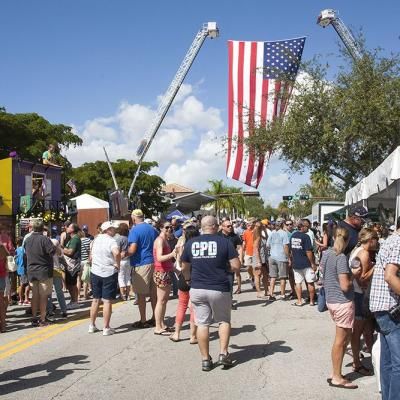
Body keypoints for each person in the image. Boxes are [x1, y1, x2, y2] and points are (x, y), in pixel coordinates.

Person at [181, 216, 241, 371]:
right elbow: (236, 265)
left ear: (202, 227)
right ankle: (223, 353)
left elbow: (184, 267)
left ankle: (205, 359)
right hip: (219, 287)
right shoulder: (224, 242)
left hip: (197, 288)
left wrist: (188, 279)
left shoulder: (191, 243)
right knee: (223, 321)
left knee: (202, 323)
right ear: (215, 226)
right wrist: (228, 269)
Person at [321, 227, 361, 389]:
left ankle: (335, 373)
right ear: (348, 241)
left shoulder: (326, 254)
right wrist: (355, 275)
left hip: (331, 300)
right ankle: (336, 376)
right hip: (342, 301)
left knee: (341, 340)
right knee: (341, 340)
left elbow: (324, 276)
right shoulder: (341, 257)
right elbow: (345, 285)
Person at [369, 217, 400, 400]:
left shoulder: (390, 240)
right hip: (391, 309)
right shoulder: (398, 242)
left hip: (383, 308)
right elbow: (390, 276)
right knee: (398, 363)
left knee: (388, 361)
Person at [349, 228, 378, 376]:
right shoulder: (365, 253)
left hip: (357, 294)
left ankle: (372, 359)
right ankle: (356, 362)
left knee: (366, 330)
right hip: (361, 295)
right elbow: (363, 277)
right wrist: (376, 266)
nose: (377, 243)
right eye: (376, 240)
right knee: (358, 331)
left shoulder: (357, 249)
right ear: (370, 240)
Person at [128, 209, 158, 329]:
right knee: (153, 293)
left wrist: (124, 253)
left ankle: (143, 320)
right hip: (154, 262)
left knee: (140, 294)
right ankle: (155, 318)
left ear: (134, 218)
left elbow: (133, 249)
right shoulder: (152, 229)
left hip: (141, 264)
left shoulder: (134, 230)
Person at [89, 221, 121, 336]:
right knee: (107, 301)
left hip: (95, 271)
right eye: (113, 229)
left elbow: (90, 256)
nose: (115, 230)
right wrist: (117, 264)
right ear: (108, 230)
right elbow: (117, 253)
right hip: (108, 272)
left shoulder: (95, 239)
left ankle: (92, 325)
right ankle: (106, 327)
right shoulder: (111, 241)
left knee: (96, 299)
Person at [169, 224, 199, 343]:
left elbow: (181, 263)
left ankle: (176, 333)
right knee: (193, 308)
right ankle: (193, 336)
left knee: (181, 306)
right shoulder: (198, 248)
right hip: (195, 278)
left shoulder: (184, 246)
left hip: (183, 277)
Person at [24, 220, 56, 327]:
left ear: (32, 228)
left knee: (34, 295)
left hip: (31, 270)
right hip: (43, 271)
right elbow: (52, 252)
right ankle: (42, 319)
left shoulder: (27, 240)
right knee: (43, 296)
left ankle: (34, 318)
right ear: (43, 229)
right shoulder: (45, 239)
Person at [153, 221, 176, 335]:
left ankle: (162, 324)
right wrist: (172, 254)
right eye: (167, 227)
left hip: (166, 272)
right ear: (161, 228)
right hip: (161, 272)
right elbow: (159, 257)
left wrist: (175, 269)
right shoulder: (160, 240)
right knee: (161, 301)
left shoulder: (164, 240)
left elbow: (166, 260)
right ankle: (158, 326)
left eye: (171, 227)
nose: (169, 229)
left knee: (164, 300)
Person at [289, 220, 317, 306]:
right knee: (310, 282)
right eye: (307, 226)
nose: (308, 228)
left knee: (298, 283)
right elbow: (308, 251)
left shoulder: (293, 236)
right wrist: (312, 263)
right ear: (302, 227)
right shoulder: (306, 237)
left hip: (296, 263)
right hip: (306, 263)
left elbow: (291, 250)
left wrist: (291, 259)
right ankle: (312, 301)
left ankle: (299, 301)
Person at [218, 219, 243, 295]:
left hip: (231, 262)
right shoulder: (217, 236)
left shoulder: (235, 237)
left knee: (230, 282)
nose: (230, 227)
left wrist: (240, 259)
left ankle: (230, 300)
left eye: (231, 226)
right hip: (219, 263)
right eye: (228, 226)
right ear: (222, 227)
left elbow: (239, 248)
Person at [267, 219, 289, 300]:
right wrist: (288, 257)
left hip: (272, 257)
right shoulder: (284, 233)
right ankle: (282, 295)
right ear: (283, 225)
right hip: (281, 257)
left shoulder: (272, 233)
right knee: (282, 277)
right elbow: (286, 247)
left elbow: (267, 245)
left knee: (273, 277)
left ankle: (271, 294)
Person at [63, 223, 81, 309]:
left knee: (72, 283)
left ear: (73, 230)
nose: (66, 227)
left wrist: (61, 249)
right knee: (70, 283)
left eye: (69, 227)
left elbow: (70, 252)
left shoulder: (75, 239)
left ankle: (74, 301)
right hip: (70, 264)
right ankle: (74, 300)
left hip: (72, 264)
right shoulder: (72, 238)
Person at [252, 221, 269, 298]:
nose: (258, 228)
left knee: (265, 275)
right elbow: (256, 249)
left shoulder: (261, 236)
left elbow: (267, 237)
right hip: (258, 258)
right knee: (257, 275)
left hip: (264, 258)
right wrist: (259, 261)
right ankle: (259, 292)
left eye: (260, 226)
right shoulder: (257, 237)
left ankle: (266, 290)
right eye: (257, 226)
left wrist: (264, 230)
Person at [115, 223, 131, 301]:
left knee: (120, 277)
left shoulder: (119, 239)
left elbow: (117, 251)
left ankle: (123, 295)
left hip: (121, 260)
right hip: (128, 260)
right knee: (128, 277)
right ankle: (128, 295)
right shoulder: (128, 238)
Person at [15, 237, 30, 305]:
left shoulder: (16, 250)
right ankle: (25, 299)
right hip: (24, 268)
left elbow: (15, 261)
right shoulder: (24, 250)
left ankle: (21, 299)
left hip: (18, 269)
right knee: (26, 284)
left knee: (21, 284)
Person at [242, 218, 256, 289]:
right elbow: (244, 242)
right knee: (248, 267)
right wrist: (242, 252)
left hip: (256, 253)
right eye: (248, 224)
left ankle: (255, 282)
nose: (249, 225)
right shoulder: (245, 232)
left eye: (251, 224)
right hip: (248, 252)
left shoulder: (257, 231)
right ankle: (252, 276)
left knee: (255, 268)